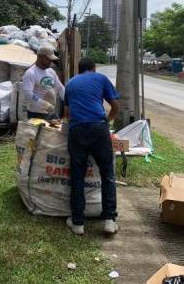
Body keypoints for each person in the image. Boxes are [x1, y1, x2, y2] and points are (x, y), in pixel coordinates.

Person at [64, 57, 120, 235]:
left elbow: (67, 113)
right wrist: (106, 121)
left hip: (77, 129)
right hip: (98, 127)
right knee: (107, 174)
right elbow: (115, 106)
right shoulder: (101, 79)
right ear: (94, 68)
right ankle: (109, 220)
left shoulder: (70, 83)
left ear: (79, 70)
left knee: (77, 175)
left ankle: (78, 223)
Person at [22, 45, 65, 120]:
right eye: (49, 59)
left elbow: (60, 88)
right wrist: (45, 105)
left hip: (50, 112)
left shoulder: (51, 72)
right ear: (41, 57)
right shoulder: (30, 73)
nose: (51, 62)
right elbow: (28, 94)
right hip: (36, 114)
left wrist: (68, 101)